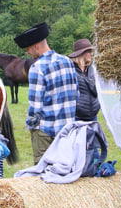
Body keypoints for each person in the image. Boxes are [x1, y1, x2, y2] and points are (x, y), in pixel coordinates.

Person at [15, 23, 78, 165]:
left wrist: (30, 125)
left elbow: (35, 107)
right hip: (67, 131)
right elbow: (76, 95)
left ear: (36, 46)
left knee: (43, 174)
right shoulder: (67, 61)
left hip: (45, 133)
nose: (27, 52)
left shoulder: (37, 68)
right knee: (65, 171)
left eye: (28, 48)